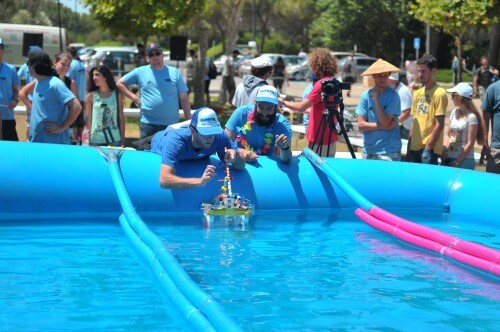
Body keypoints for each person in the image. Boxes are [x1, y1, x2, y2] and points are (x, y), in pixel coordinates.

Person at [150, 107, 245, 189]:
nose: (210, 138)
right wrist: (199, 181)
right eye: (206, 132)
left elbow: (240, 167)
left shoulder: (219, 136)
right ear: (192, 130)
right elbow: (164, 180)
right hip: (159, 139)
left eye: (213, 131)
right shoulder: (176, 142)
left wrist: (236, 156)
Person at [117, 42, 191, 139]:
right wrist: (135, 98)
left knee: (169, 154)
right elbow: (119, 83)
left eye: (157, 53)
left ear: (163, 55)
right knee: (147, 154)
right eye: (151, 55)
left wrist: (189, 122)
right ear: (147, 59)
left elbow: (184, 98)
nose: (155, 56)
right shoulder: (140, 71)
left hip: (170, 126)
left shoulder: (174, 72)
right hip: (148, 125)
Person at [280, 48, 339, 157]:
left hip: (318, 137)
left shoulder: (321, 84)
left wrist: (283, 102)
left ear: (315, 64)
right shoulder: (335, 83)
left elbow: (302, 106)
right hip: (331, 136)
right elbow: (322, 109)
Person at [21, 49, 81, 144]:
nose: (26, 66)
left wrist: (62, 128)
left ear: (35, 66)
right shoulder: (38, 81)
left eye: (29, 63)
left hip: (54, 144)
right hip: (37, 142)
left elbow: (77, 107)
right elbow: (22, 93)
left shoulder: (55, 84)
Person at [225, 85, 292, 164]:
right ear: (255, 103)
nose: (264, 113)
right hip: (238, 163)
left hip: (266, 167)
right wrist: (241, 151)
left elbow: (286, 160)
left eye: (269, 108)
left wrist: (284, 148)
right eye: (261, 107)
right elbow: (224, 145)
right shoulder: (241, 113)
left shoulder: (282, 124)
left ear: (276, 108)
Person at [355, 59, 402, 161]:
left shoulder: (394, 96)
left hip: (389, 151)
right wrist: (382, 126)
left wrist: (376, 101)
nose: (383, 79)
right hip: (368, 150)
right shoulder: (365, 96)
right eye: (379, 75)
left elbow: (385, 122)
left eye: (385, 75)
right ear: (374, 76)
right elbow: (361, 125)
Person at [408, 54, 448, 165]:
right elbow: (414, 121)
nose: (420, 74)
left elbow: (440, 124)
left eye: (423, 71)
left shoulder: (440, 93)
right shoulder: (417, 93)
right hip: (414, 148)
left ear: (433, 71)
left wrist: (429, 147)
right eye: (418, 71)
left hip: (429, 150)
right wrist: (409, 145)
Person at [442, 82, 485, 170]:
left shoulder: (472, 117)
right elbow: (448, 135)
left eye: (453, 95)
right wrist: (444, 150)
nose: (451, 98)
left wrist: (458, 161)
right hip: (448, 158)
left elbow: (470, 143)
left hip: (465, 161)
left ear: (459, 97)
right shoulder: (454, 112)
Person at [85, 65, 125, 147]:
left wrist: (123, 139)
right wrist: (87, 138)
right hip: (95, 139)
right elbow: (88, 119)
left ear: (105, 77)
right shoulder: (90, 96)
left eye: (97, 75)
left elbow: (121, 118)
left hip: (114, 139)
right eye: (93, 75)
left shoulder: (117, 95)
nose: (94, 77)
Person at [0, 38, 20, 141]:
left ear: (3, 51)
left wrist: (15, 100)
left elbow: (16, 90)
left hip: (7, 117)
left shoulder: (11, 69)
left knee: (11, 147)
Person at [68, 46, 87, 143]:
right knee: (80, 121)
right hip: (82, 96)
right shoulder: (81, 64)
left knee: (73, 121)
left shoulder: (72, 65)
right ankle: (79, 141)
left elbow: (68, 79)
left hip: (74, 97)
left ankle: (74, 141)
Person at [480, 80, 500, 173]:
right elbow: (485, 118)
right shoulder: (493, 88)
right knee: (492, 184)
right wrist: (485, 143)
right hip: (497, 150)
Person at [388, 72, 412, 140]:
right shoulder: (395, 89)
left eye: (388, 79)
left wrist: (392, 123)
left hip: (407, 127)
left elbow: (407, 112)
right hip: (402, 125)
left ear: (394, 80)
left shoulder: (402, 92)